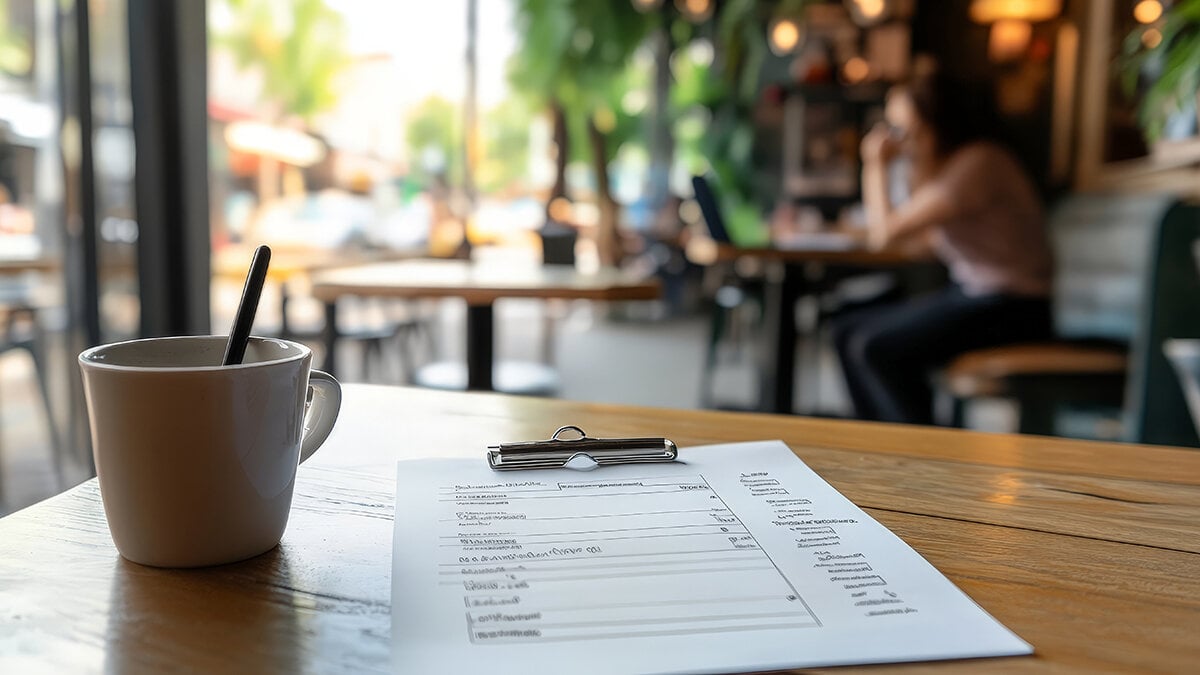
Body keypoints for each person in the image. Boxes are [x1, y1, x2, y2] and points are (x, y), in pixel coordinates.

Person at [832, 69, 1054, 425]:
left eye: (904, 130)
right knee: (845, 331)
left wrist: (875, 164)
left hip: (1013, 307)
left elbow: (884, 234)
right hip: (978, 296)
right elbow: (924, 244)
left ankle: (916, 452)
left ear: (932, 122)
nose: (901, 142)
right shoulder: (961, 165)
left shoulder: (979, 162)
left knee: (874, 346)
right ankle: (878, 440)